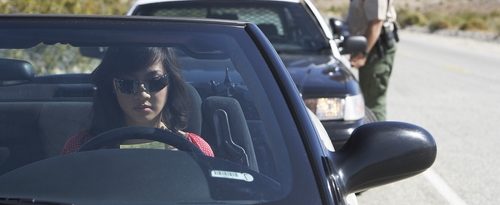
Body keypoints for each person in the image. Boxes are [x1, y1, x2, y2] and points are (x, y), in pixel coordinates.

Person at [62, 47, 214, 157]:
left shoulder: (196, 148)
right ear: (112, 88)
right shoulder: (80, 148)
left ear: (171, 84)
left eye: (155, 81)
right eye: (127, 84)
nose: (142, 94)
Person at [347, 0, 398, 121]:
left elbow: (376, 24)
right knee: (367, 102)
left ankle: (378, 138)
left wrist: (362, 54)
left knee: (373, 105)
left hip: (374, 49)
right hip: (369, 47)